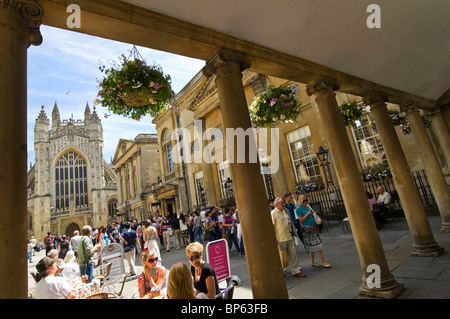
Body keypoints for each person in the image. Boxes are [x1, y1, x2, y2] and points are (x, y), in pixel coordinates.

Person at [271, 197, 306, 278]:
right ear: (277, 204)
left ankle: (295, 270)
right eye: (282, 203)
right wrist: (275, 239)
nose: (284, 204)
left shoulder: (284, 211)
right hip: (280, 238)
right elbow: (272, 226)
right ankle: (281, 271)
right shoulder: (273, 213)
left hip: (288, 236)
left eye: (283, 203)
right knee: (282, 256)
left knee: (293, 254)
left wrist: (288, 222)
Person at [295, 194, 330, 268]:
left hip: (313, 227)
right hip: (307, 229)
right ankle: (323, 261)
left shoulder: (307, 206)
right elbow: (300, 220)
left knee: (313, 245)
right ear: (300, 201)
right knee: (317, 244)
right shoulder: (298, 209)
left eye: (306, 200)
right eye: (303, 201)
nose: (305, 202)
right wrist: (308, 214)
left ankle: (312, 261)